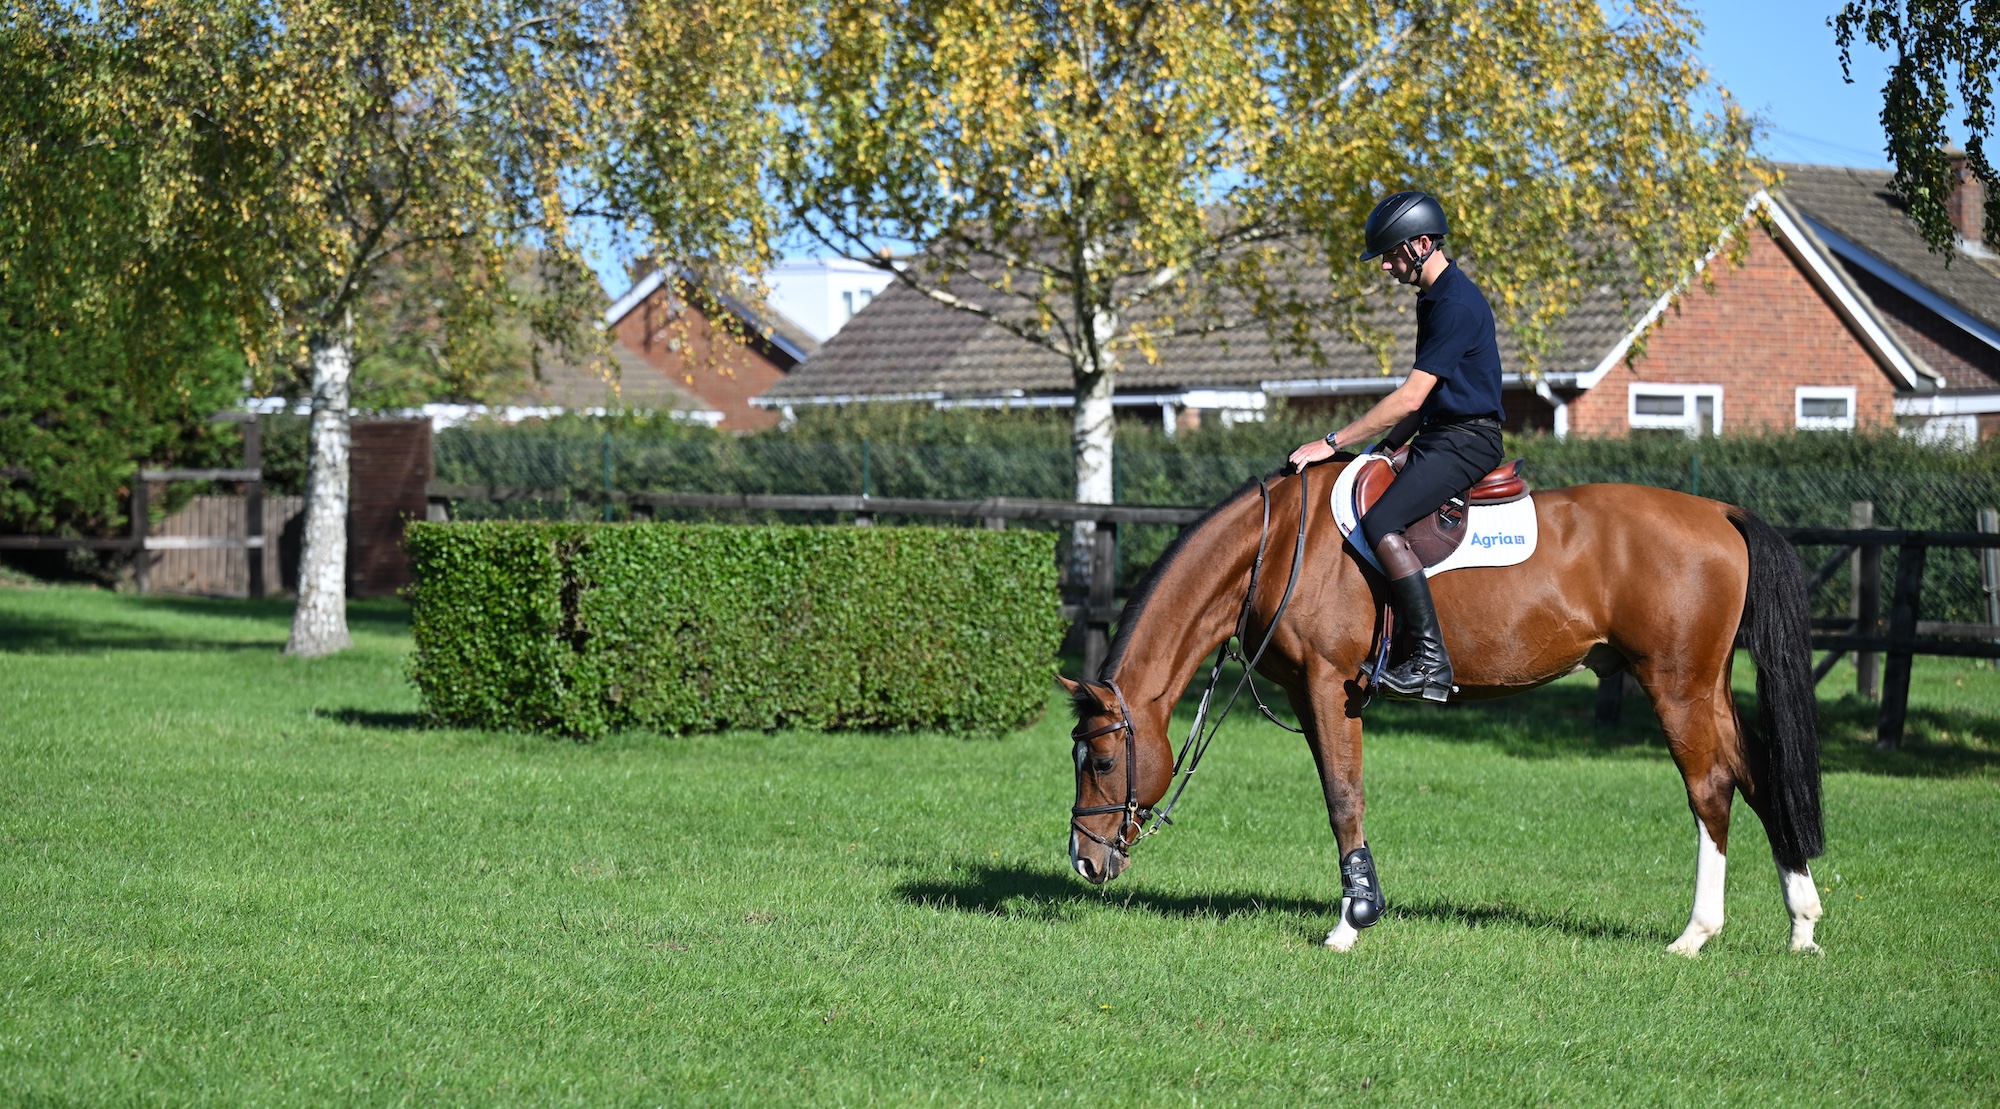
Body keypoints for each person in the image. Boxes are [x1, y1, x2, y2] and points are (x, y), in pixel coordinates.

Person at [1288, 190, 1504, 702]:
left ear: (1423, 244)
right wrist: (1384, 449)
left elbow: (1410, 395)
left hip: (1466, 441)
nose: (1385, 266)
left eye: (1391, 254)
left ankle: (1430, 659)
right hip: (1442, 433)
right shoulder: (1435, 298)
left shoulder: (1453, 303)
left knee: (1382, 521)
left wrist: (1331, 442)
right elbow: (1424, 402)